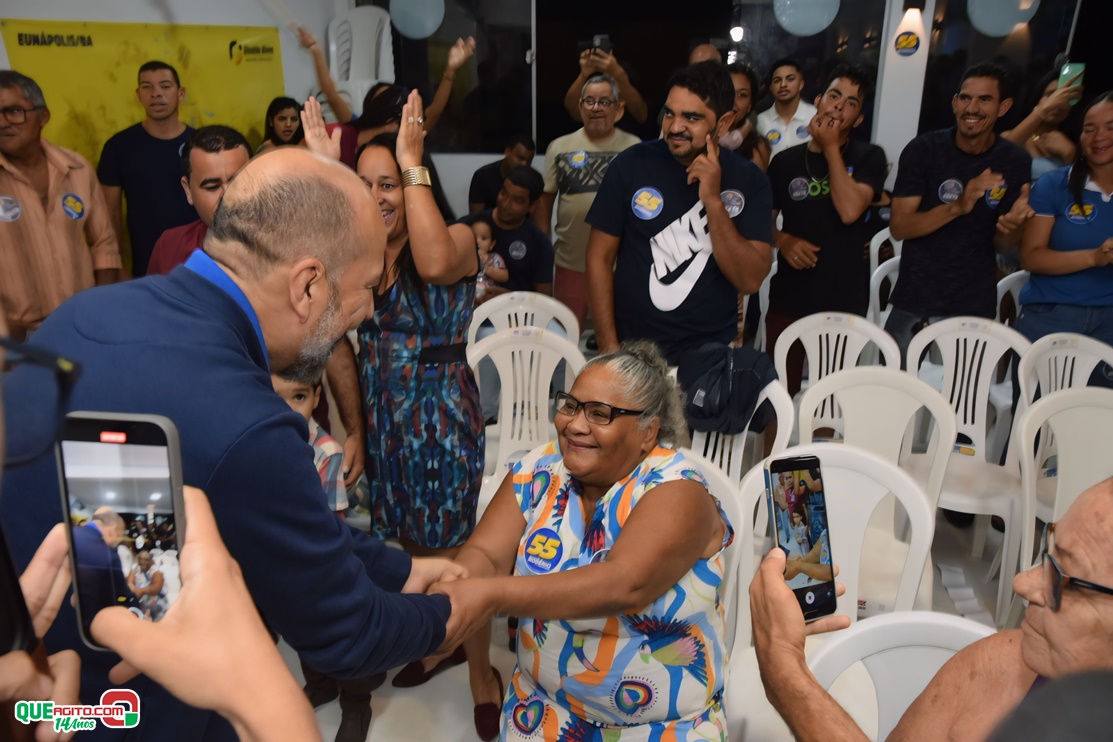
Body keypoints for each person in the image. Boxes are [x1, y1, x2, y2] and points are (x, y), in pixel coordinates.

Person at [0, 146, 470, 741]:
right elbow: (350, 633)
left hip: (44, 701)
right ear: (308, 285)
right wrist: (456, 612)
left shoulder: (85, 314)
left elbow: (250, 518)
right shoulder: (249, 424)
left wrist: (399, 569)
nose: (367, 310)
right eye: (367, 287)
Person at [304, 92, 491, 737]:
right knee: (413, 548)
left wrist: (411, 157)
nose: (377, 196)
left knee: (455, 553)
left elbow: (434, 264)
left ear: (416, 182)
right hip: (387, 423)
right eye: (364, 184)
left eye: (389, 183)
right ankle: (440, 642)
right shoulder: (361, 258)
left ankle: (481, 670)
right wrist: (355, 428)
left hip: (440, 420)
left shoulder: (456, 241)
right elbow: (331, 336)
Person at [434, 342, 734, 740]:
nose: (575, 424)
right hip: (540, 711)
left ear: (648, 431)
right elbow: (486, 555)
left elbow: (622, 583)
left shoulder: (679, 491)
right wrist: (452, 592)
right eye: (571, 406)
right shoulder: (538, 470)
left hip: (660, 728)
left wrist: (487, 596)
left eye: (599, 413)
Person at [750, 477, 1113, 741]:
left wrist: (783, 666)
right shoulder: (1006, 662)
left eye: (1061, 575)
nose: (1023, 583)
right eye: (1047, 551)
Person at [1, 484, 322, 742]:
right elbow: (124, 585)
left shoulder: (111, 551)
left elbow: (143, 585)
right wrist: (264, 701)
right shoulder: (103, 549)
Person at [586, 61, 773, 365]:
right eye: (670, 113)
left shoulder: (749, 180)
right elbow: (599, 258)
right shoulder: (631, 164)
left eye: (692, 117)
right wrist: (609, 349)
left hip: (710, 356)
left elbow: (750, 280)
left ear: (724, 123)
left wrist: (713, 202)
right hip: (633, 353)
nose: (674, 127)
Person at [885, 62, 1034, 360]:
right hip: (915, 297)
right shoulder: (925, 149)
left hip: (973, 302)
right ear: (954, 103)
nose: (972, 108)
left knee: (961, 389)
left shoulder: (1014, 160)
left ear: (1003, 107)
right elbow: (899, 227)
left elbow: (1002, 244)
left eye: (985, 99)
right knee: (893, 385)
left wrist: (1013, 226)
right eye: (965, 98)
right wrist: (959, 206)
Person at [766, 65, 888, 395]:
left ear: (858, 119)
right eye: (834, 96)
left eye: (851, 103)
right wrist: (782, 239)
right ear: (818, 101)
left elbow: (850, 211)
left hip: (843, 297)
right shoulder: (784, 162)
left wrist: (831, 148)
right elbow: (763, 222)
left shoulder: (870, 157)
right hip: (790, 295)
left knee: (831, 398)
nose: (839, 106)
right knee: (778, 394)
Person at [0, 71, 120, 341]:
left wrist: (96, 308)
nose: (2, 122)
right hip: (14, 340)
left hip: (81, 328)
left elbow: (105, 245)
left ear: (43, 116)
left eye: (14, 111)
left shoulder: (77, 168)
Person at [1015, 92, 1113, 383]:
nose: (1098, 136)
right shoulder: (1054, 184)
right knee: (1037, 409)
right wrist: (1094, 257)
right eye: (1089, 128)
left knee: (1098, 409)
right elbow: (1031, 256)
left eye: (1110, 127)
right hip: (1052, 314)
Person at [540, 73, 641, 329]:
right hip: (569, 263)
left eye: (604, 102)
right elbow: (544, 204)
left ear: (618, 109)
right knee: (565, 335)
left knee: (617, 337)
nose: (596, 108)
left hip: (619, 266)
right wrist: (542, 252)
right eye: (589, 101)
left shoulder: (635, 149)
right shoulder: (559, 147)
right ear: (580, 106)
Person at [299, 27, 475, 170]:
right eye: (384, 98)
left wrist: (450, 70)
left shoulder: (402, 133)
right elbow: (331, 93)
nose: (392, 102)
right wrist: (316, 51)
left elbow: (433, 113)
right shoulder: (350, 127)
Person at [97, 61, 197, 277]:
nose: (156, 93)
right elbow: (109, 215)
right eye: (147, 87)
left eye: (165, 86)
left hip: (199, 265)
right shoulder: (118, 147)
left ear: (180, 93)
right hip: (145, 271)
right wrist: (118, 267)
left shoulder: (200, 144)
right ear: (138, 94)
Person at [146, 125, 251, 276]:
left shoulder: (283, 246)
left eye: (238, 182)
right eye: (213, 187)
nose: (228, 197)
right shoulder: (169, 247)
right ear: (188, 190)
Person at [1002, 70, 1083, 181]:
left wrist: (1070, 153)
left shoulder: (1076, 143)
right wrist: (1043, 110)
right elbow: (1000, 155)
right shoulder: (1013, 136)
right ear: (1037, 99)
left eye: (1066, 97)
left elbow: (1083, 183)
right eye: (1051, 95)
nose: (1059, 102)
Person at [561, 45, 649, 129]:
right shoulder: (590, 73)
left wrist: (617, 74)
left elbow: (641, 115)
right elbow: (573, 110)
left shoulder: (625, 71)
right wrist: (584, 74)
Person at [72, 509, 136, 619]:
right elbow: (121, 595)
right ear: (113, 529)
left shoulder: (70, 533)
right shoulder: (109, 555)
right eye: (119, 536)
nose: (118, 542)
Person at [757, 58, 818, 159]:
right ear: (771, 88)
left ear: (801, 84)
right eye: (777, 80)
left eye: (790, 79)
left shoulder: (815, 116)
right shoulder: (760, 121)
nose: (783, 85)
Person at [721, 62, 771, 171]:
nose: (733, 102)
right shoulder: (698, 137)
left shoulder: (757, 147)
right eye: (728, 93)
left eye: (742, 95)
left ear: (749, 106)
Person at [468, 132, 536, 213]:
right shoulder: (483, 176)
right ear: (507, 151)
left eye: (529, 161)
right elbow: (475, 216)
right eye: (520, 158)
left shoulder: (532, 180)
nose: (524, 164)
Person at [471, 214, 509, 303]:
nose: (478, 241)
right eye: (474, 237)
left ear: (491, 244)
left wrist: (488, 269)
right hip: (471, 299)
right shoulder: (467, 257)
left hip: (489, 298)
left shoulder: (494, 258)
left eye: (483, 238)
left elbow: (505, 276)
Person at [127, 549, 168, 621]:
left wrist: (142, 591)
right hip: (140, 603)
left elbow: (157, 587)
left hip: (156, 603)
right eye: (140, 559)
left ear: (150, 560)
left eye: (146, 560)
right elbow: (129, 582)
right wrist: (133, 588)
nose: (142, 562)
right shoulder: (135, 568)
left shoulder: (156, 571)